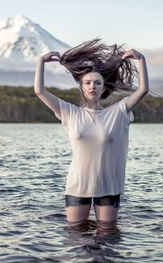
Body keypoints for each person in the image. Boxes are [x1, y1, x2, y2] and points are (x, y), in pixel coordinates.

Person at [34, 39, 149, 224]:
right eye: (87, 82)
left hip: (108, 186)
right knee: (76, 240)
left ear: (104, 87)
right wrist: (40, 61)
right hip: (77, 186)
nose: (92, 86)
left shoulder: (118, 112)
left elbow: (143, 90)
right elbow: (40, 91)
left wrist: (141, 60)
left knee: (108, 238)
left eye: (97, 83)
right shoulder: (70, 112)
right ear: (81, 86)